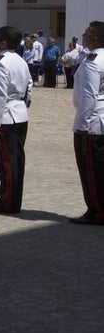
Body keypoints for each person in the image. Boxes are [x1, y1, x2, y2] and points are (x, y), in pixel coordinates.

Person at [0, 26, 31, 214]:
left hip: (6, 117)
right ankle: (11, 199)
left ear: (3, 42)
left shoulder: (0, 62)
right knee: (16, 161)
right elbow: (29, 85)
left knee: (6, 163)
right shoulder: (20, 60)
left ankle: (8, 201)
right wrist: (24, 103)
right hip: (20, 113)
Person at [70, 21, 104, 225]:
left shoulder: (93, 61)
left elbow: (89, 96)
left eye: (86, 32)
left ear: (94, 37)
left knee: (92, 171)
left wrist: (82, 126)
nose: (82, 35)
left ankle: (97, 211)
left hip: (92, 123)